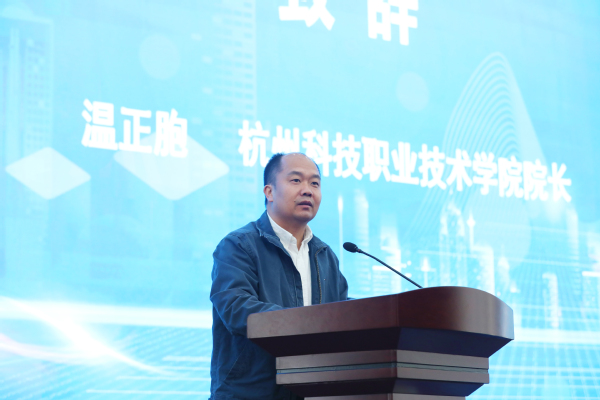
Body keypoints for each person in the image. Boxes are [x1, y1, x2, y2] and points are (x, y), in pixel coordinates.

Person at [209, 152, 349, 399]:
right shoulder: (239, 245)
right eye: (296, 180)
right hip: (250, 393)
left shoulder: (325, 255)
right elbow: (236, 308)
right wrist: (308, 324)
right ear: (269, 192)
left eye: (314, 183)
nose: (307, 190)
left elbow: (342, 314)